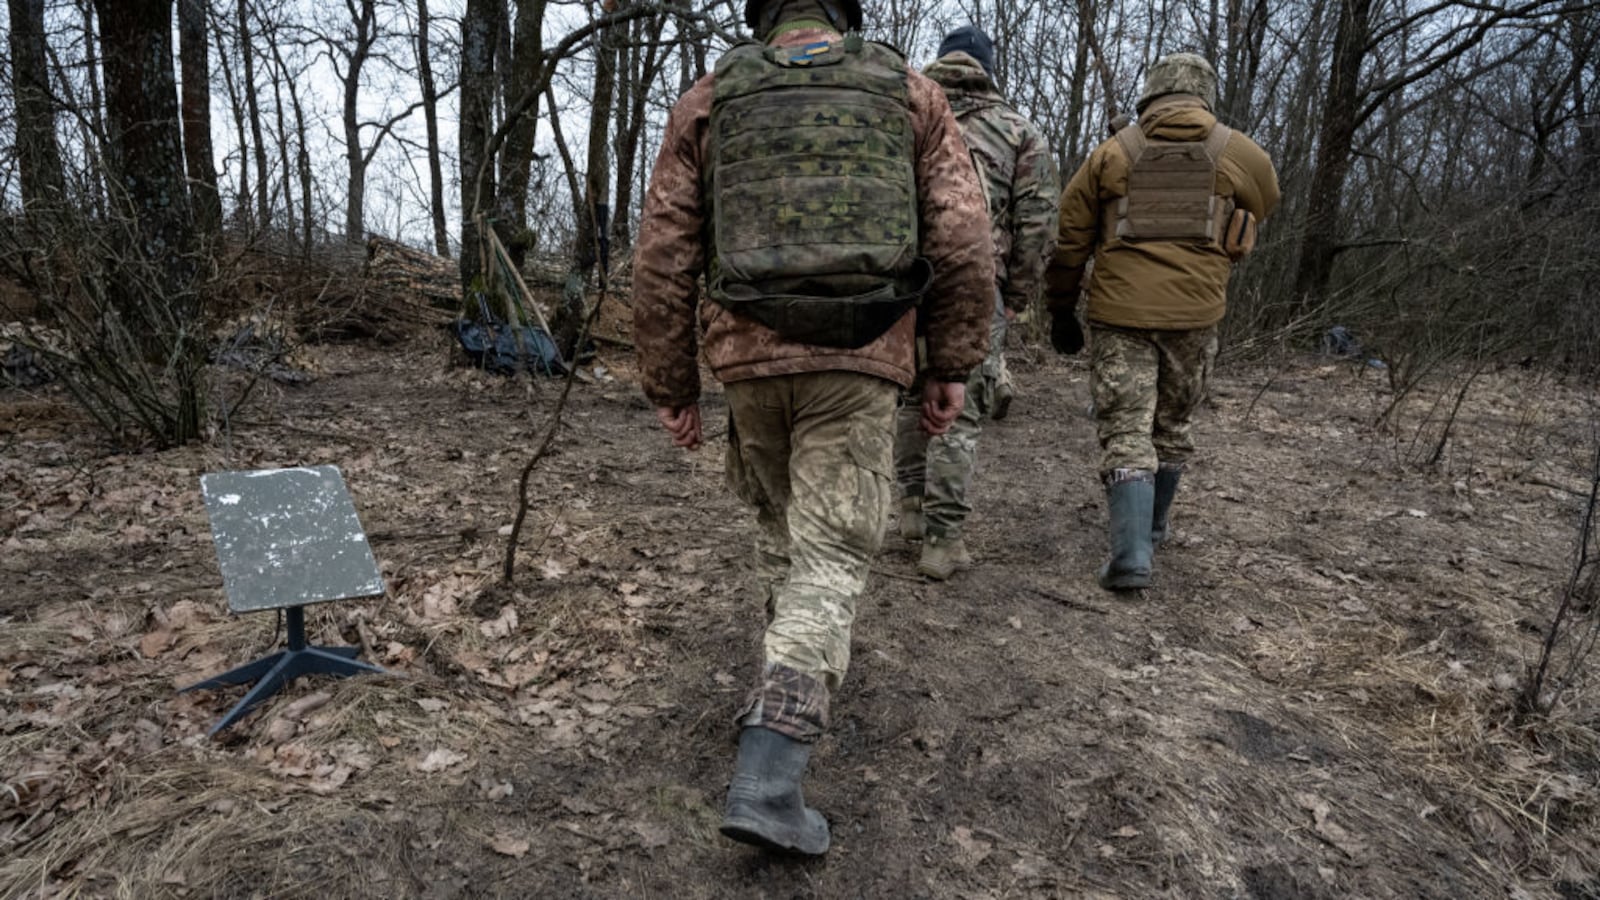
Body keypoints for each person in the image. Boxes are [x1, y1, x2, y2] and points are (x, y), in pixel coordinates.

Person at [631, 0, 994, 855]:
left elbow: (663, 248)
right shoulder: (907, 91)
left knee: (784, 537)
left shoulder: (713, 95)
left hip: (749, 355)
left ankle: (779, 693)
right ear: (842, 10)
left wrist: (670, 380)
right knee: (830, 550)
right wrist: (953, 362)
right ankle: (770, 774)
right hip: (861, 349)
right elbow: (964, 236)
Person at [1043, 52, 1279, 590]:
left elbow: (1070, 241)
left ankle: (1131, 555)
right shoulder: (1236, 152)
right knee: (1172, 428)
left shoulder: (1112, 153)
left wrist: (1060, 311)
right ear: (1206, 97)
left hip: (1119, 314)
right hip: (1196, 316)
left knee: (1126, 429)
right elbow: (1266, 202)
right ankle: (1152, 530)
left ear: (1150, 95)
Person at [892, 25, 1057, 580]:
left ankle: (911, 514)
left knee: (912, 400)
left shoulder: (904, 113)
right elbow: (1038, 223)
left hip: (905, 284)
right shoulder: (1017, 131)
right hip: (975, 287)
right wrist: (1014, 297)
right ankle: (942, 540)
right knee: (957, 409)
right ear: (988, 70)